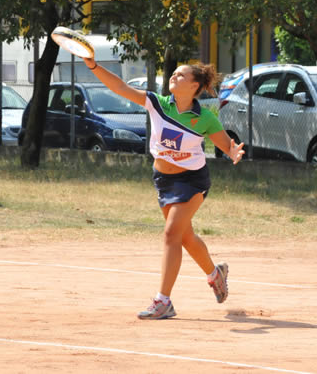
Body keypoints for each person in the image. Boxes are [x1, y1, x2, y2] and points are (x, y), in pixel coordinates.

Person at [83, 57, 245, 320]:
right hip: (164, 180)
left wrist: (233, 151)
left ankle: (163, 302)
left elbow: (226, 145)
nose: (174, 77)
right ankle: (216, 274)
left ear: (195, 86)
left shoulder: (204, 118)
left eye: (181, 76)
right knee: (184, 237)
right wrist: (93, 65)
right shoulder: (157, 104)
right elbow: (120, 88)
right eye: (174, 73)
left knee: (171, 234)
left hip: (192, 181)